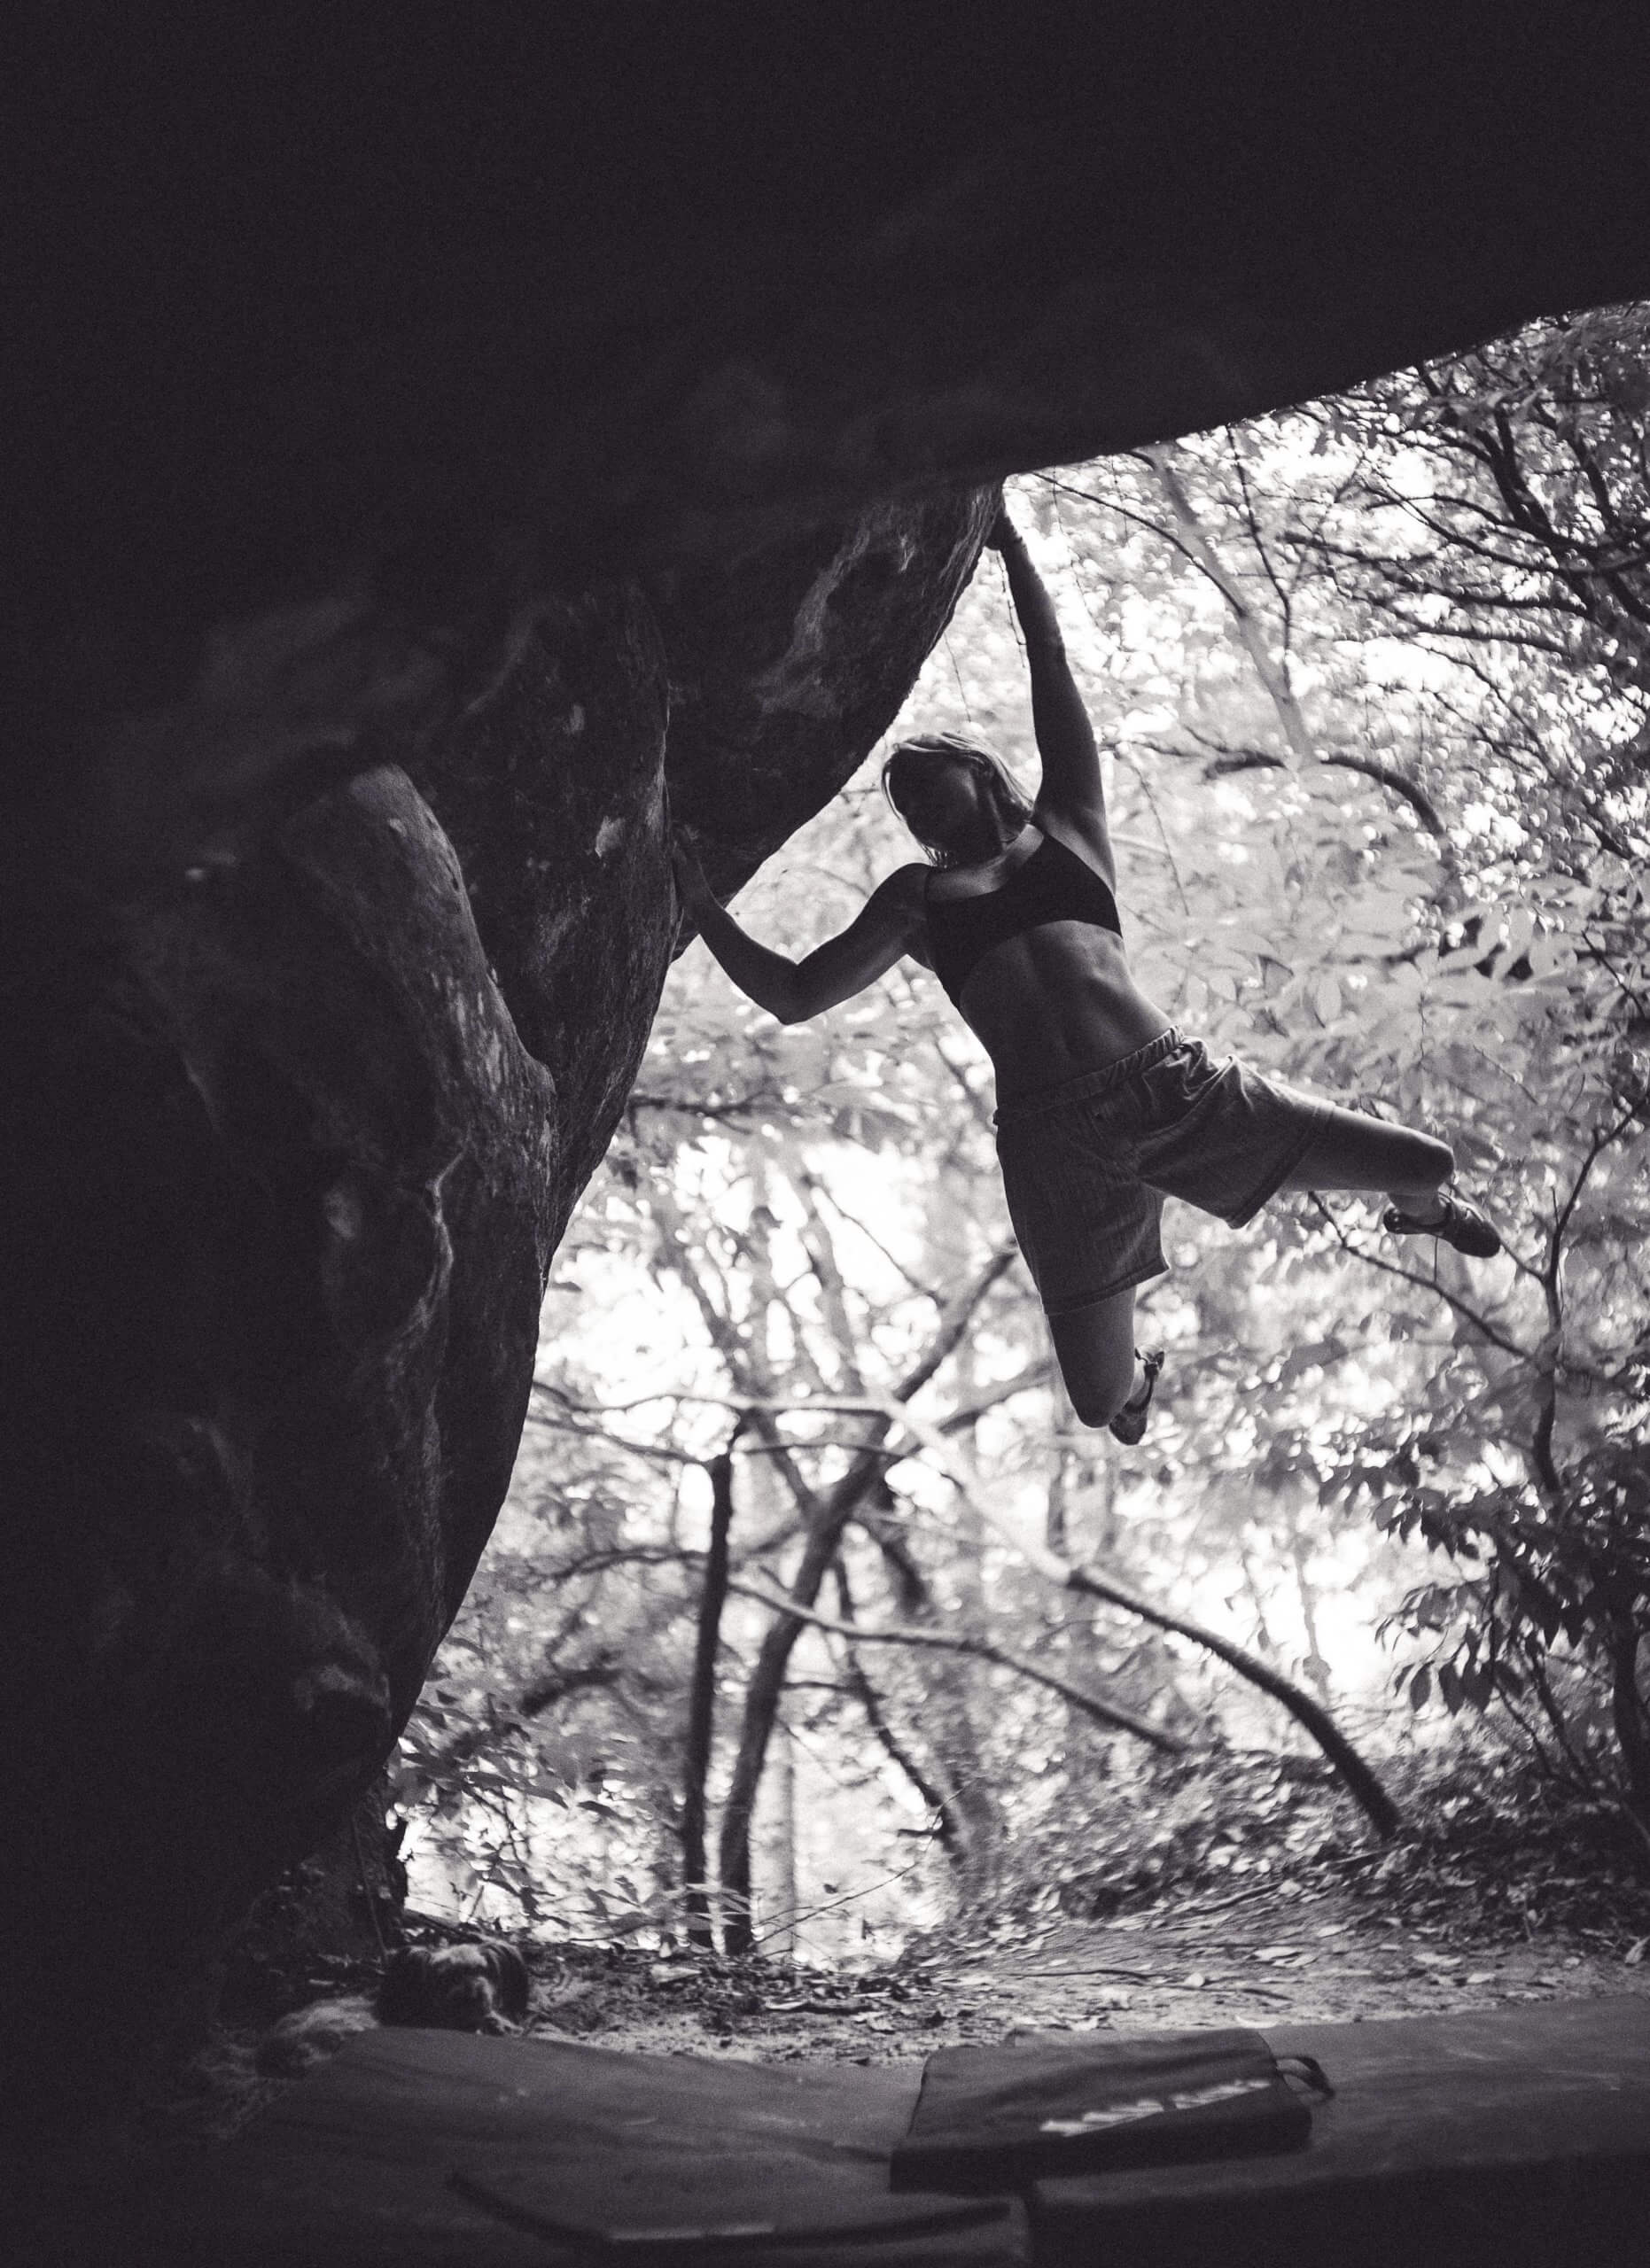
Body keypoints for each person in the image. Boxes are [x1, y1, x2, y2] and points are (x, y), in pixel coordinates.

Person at [671, 503, 1500, 1446]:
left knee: (1422, 1162)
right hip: (1053, 1147)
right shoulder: (915, 902)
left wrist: (1012, 547)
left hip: (1174, 1088)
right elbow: (792, 994)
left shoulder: (1067, 824)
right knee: (1100, 1403)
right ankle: (1139, 1375)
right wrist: (698, 900)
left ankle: (1421, 1214)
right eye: (897, 798)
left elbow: (1049, 671)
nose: (906, 794)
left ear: (980, 772)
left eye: (918, 773)